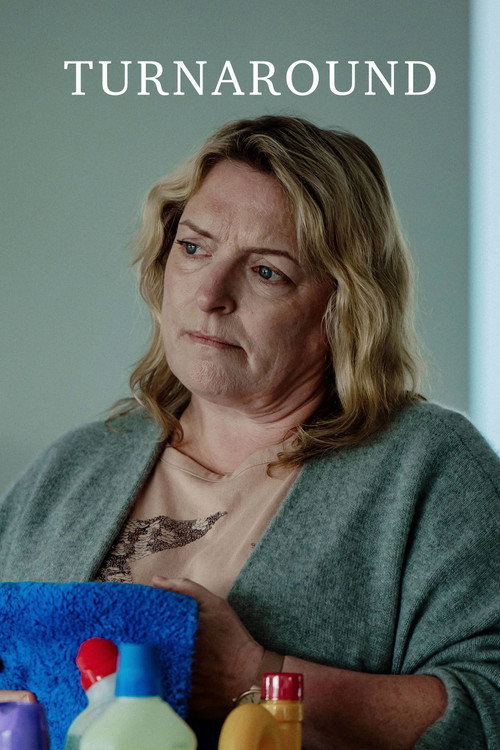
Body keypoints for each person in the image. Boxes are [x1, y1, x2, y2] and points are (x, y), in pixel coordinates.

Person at [1, 115, 499, 749]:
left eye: (267, 271)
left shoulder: (428, 467)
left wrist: (253, 677)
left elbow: (489, 706)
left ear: (344, 305)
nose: (210, 293)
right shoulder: (72, 466)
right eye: (194, 247)